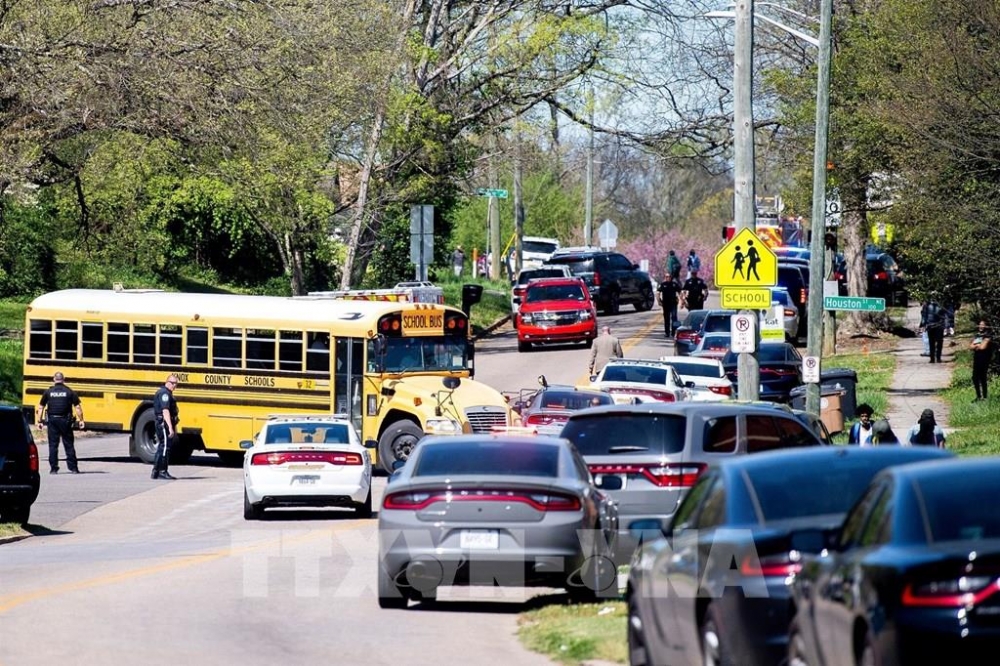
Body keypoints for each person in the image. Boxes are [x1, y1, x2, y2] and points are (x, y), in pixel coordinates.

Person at [36, 372, 84, 474]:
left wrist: (39, 421)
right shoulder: (69, 392)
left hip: (52, 421)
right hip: (65, 421)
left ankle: (53, 468)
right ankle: (73, 468)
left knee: (53, 445)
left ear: (54, 379)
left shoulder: (48, 392)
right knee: (69, 445)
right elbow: (77, 407)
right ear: (63, 379)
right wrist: (81, 420)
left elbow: (41, 407)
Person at [151, 374, 181, 480]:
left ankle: (155, 471)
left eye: (176, 384)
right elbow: (165, 411)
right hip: (163, 423)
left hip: (163, 423)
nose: (175, 386)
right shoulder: (164, 394)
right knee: (165, 448)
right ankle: (162, 471)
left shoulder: (166, 393)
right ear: (167, 382)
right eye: (173, 383)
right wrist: (170, 427)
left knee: (162, 447)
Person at [920, 297, 946, 363]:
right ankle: (936, 358)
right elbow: (924, 315)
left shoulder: (928, 305)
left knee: (934, 342)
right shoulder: (940, 304)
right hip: (935, 325)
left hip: (934, 325)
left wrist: (923, 324)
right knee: (937, 342)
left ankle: (934, 358)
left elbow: (924, 315)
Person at [971, 320, 992, 402]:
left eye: (982, 325)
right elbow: (971, 346)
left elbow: (983, 347)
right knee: (975, 377)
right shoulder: (977, 335)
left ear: (986, 326)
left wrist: (977, 345)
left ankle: (985, 396)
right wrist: (978, 345)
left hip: (984, 358)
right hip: (977, 358)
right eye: (979, 324)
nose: (980, 326)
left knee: (983, 377)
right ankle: (978, 396)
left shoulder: (988, 335)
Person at [657, 272, 682, 337]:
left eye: (669, 277)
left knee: (674, 318)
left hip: (673, 303)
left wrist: (681, 300)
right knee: (666, 318)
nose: (668, 278)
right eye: (666, 277)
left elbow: (680, 292)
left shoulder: (674, 284)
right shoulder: (663, 284)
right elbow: (658, 292)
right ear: (665, 278)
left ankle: (674, 332)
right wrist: (659, 300)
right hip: (665, 304)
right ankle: (667, 332)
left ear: (671, 277)